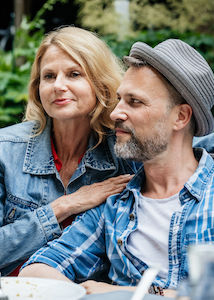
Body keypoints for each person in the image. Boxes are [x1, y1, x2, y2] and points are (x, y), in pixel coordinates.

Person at [19, 39, 214, 296]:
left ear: (180, 117)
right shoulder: (115, 201)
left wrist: (122, 294)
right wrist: (85, 293)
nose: (115, 113)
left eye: (135, 102)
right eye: (119, 99)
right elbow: (35, 271)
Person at [0, 26, 136, 276]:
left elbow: (182, 142)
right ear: (37, 88)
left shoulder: (123, 152)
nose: (58, 86)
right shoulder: (5, 150)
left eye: (74, 74)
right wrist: (64, 206)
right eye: (49, 76)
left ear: (100, 83)